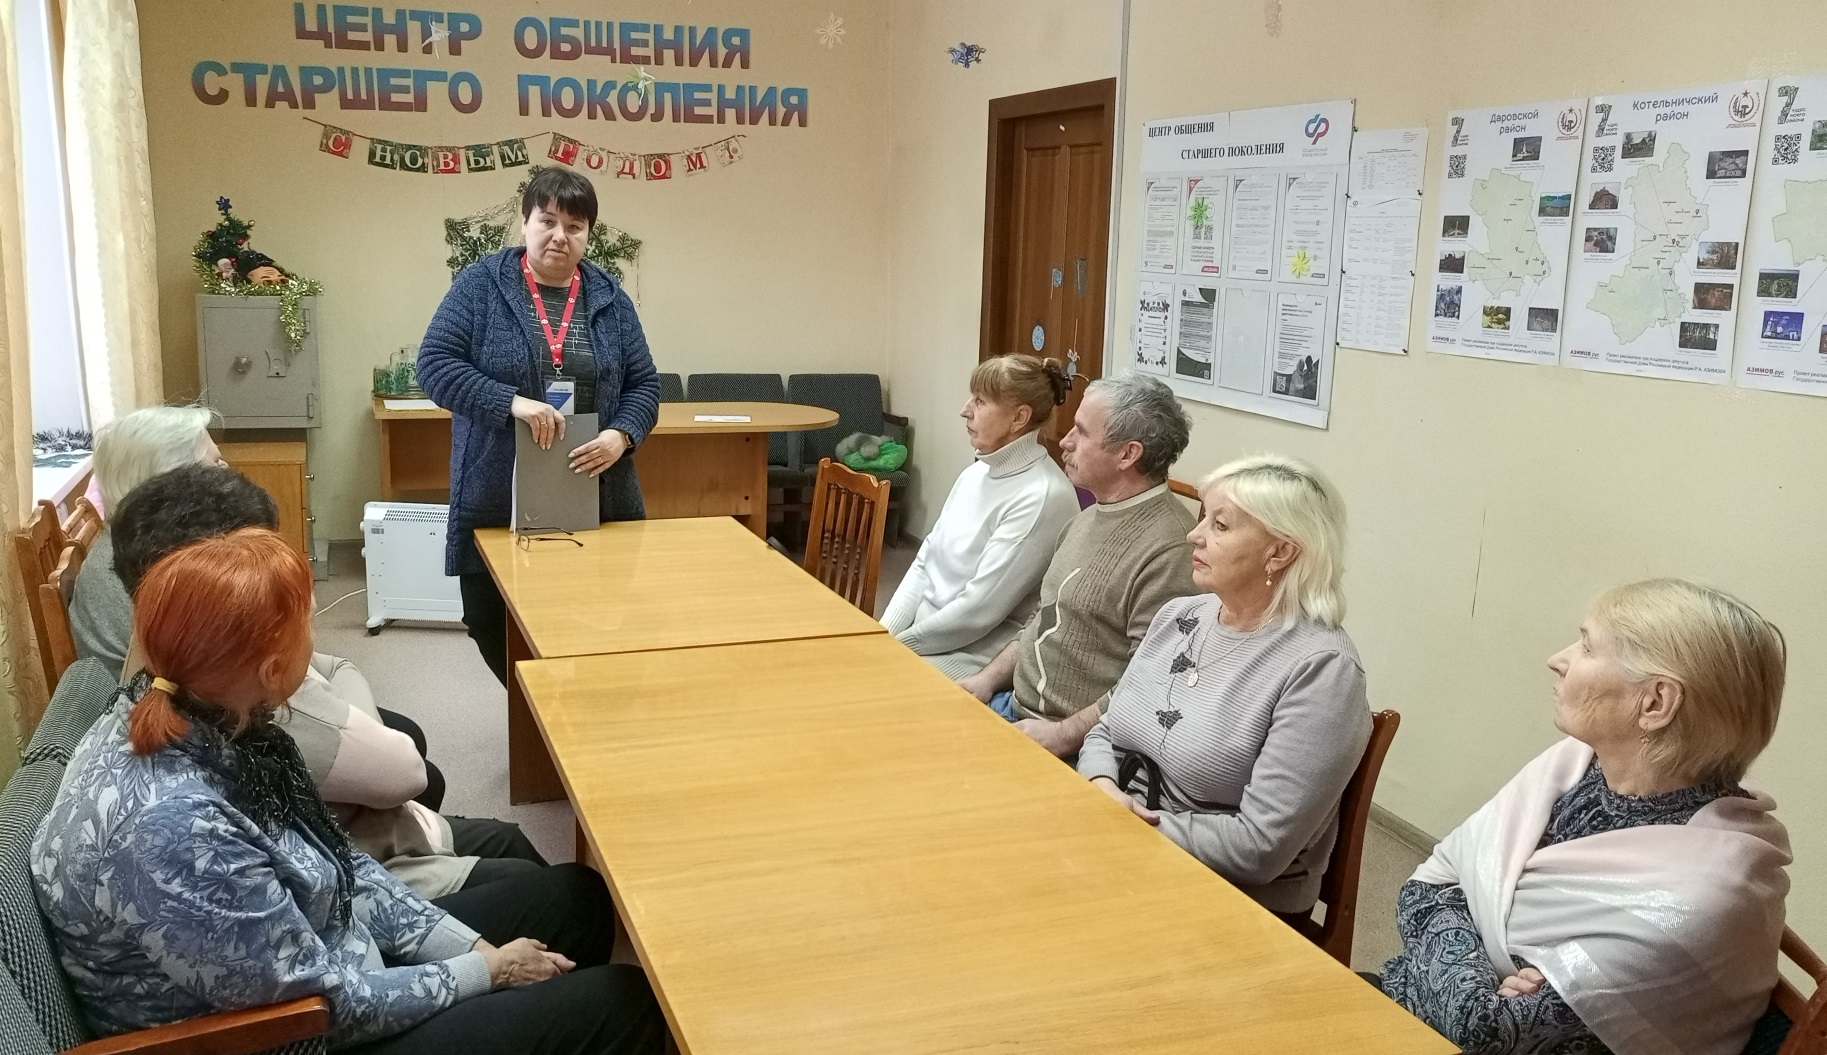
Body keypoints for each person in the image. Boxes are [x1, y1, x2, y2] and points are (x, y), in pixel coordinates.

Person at [33, 528, 665, 1053]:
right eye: (307, 628)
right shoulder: (173, 830)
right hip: (297, 1033)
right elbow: (323, 1006)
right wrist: (486, 970)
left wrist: (467, 947)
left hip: (325, 958)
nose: (316, 641)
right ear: (271, 671)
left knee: (578, 898)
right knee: (622, 1002)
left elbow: (339, 864)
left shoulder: (200, 716)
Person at [1377, 579, 1790, 1055]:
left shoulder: (1703, 893)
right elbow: (1425, 887)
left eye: (1588, 647)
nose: (1558, 659)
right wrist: (1490, 970)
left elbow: (1486, 1034)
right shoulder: (1575, 765)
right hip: (1409, 1008)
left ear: (1655, 703)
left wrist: (1461, 943)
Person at [109, 463, 545, 897]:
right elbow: (402, 774)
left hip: (342, 851)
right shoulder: (249, 707)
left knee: (476, 814)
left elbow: (336, 670)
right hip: (351, 880)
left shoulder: (172, 653)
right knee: (545, 887)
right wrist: (352, 721)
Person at [1077, 455, 1370, 918]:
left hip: (1226, 897)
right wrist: (1100, 785)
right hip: (1123, 844)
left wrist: (1126, 825)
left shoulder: (1323, 669)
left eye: (1220, 525)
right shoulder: (1181, 615)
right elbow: (1106, 729)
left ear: (1280, 552)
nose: (1193, 535)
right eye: (1203, 518)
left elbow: (1258, 847)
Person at [418, 167, 661, 684]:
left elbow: (644, 384)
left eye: (574, 226)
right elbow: (435, 366)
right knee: (489, 618)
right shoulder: (481, 285)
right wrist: (512, 403)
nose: (559, 236)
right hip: (497, 490)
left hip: (596, 491)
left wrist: (622, 435)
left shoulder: (611, 299)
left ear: (588, 234)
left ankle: (577, 708)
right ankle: (538, 706)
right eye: (547, 221)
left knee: (596, 615)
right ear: (524, 222)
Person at [957, 373, 1197, 758]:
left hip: (1075, 746)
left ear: (1128, 455)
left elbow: (1148, 680)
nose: (1065, 441)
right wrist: (986, 680)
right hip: (1014, 708)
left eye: (1082, 432)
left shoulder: (1171, 551)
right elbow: (1044, 619)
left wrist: (1063, 735)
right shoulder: (1085, 519)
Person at [879, 355, 1080, 679]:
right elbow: (926, 560)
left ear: (1019, 418)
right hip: (925, 638)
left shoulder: (1043, 496)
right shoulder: (976, 473)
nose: (965, 410)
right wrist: (884, 633)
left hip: (970, 658)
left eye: (980, 401)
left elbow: (977, 613)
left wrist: (897, 647)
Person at [68, 404, 225, 674]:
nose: (226, 469)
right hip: (149, 695)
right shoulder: (143, 567)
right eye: (215, 463)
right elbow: (217, 666)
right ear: (174, 481)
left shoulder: (138, 540)